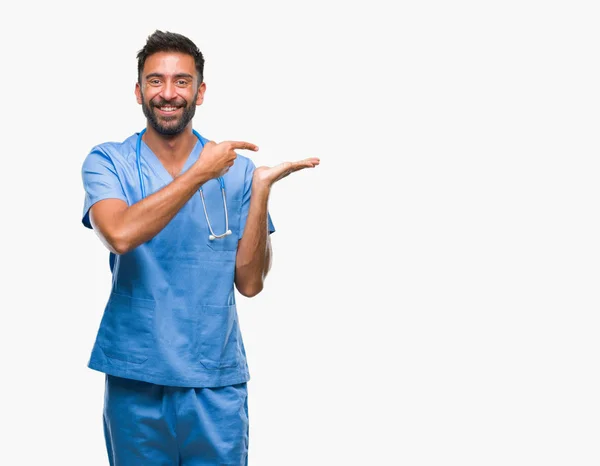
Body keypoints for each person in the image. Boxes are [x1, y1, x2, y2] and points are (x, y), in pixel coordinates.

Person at [80, 30, 319, 465]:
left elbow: (249, 284)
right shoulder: (107, 161)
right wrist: (198, 175)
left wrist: (261, 187)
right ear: (138, 91)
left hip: (215, 380)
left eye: (181, 81)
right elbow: (119, 234)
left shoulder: (238, 171)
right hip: (136, 378)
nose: (168, 93)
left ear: (200, 91)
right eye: (155, 81)